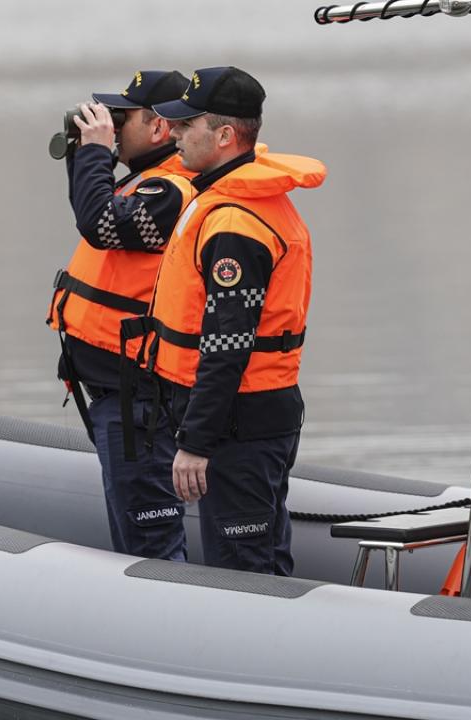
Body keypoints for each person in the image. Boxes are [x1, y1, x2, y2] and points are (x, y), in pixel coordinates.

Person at [140, 66, 327, 575]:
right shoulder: (233, 203)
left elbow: (229, 345)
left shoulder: (236, 225)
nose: (173, 134)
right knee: (257, 556)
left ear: (224, 136)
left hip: (239, 426)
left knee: (244, 570)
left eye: (186, 125)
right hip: (250, 417)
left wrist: (196, 443)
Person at [46, 70, 195, 561]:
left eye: (121, 117)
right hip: (121, 396)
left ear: (158, 129)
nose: (110, 124)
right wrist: (85, 155)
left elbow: (100, 225)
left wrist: (93, 153)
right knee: (137, 541)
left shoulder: (173, 191)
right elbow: (93, 214)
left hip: (142, 403)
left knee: (151, 547)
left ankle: (173, 627)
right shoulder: (150, 181)